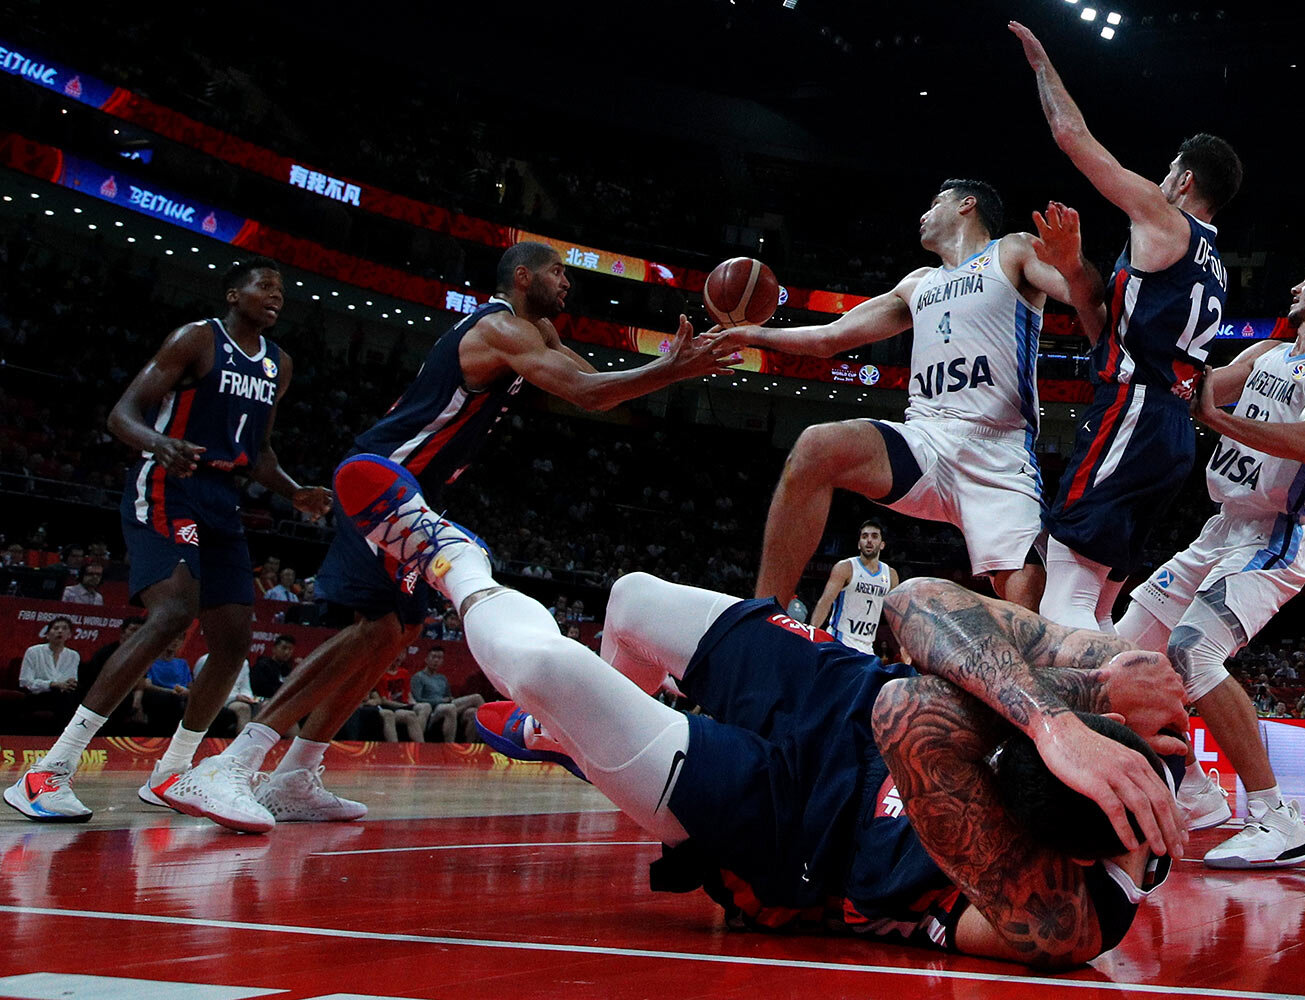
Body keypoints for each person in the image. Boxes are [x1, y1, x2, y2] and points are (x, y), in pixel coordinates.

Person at [335, 454, 1188, 966]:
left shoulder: (1066, 920)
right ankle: (591, 740)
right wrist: (1062, 710)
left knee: (549, 667)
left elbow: (908, 711)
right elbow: (917, 601)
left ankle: (452, 563)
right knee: (630, 602)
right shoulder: (1148, 720)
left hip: (793, 829)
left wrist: (1039, 713)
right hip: (837, 699)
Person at [163, 241, 733, 833]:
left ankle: (295, 775)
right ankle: (233, 764)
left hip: (417, 493)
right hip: (381, 478)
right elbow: (586, 393)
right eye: (557, 272)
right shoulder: (501, 329)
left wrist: (674, 367)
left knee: (397, 631)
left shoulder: (537, 331)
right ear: (522, 276)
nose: (567, 283)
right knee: (377, 628)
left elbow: (600, 390)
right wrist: (673, 367)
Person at [4, 257, 331, 825]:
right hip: (168, 486)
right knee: (174, 611)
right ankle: (47, 771)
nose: (276, 297)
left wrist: (294, 491)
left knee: (232, 639)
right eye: (265, 287)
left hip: (222, 498)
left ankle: (171, 773)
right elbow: (121, 415)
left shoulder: (280, 364)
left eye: (282, 291)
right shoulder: (196, 340)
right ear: (234, 293)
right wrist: (159, 443)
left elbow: (260, 452)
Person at [710, 179, 1100, 612]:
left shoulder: (1012, 251)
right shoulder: (917, 284)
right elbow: (830, 337)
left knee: (1029, 599)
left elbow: (1086, 299)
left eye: (935, 203)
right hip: (926, 440)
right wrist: (752, 334)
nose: (924, 214)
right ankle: (763, 618)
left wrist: (1074, 265)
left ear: (967, 205)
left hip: (999, 452)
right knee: (816, 446)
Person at [1115, 255, 1305, 868]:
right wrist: (1154, 342)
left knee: (1192, 650)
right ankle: (1194, 788)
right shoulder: (1265, 355)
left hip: (1274, 536)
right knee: (1123, 655)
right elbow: (1200, 388)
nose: (1295, 283)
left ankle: (1278, 819)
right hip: (1217, 530)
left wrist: (1214, 417)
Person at [1008, 22, 1243, 632]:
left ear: (1184, 180)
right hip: (1170, 434)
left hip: (1132, 413)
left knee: (1067, 587)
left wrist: (1042, 67)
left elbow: (1072, 136)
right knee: (1102, 602)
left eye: (1169, 172)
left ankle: (1070, 719)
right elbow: (1106, 326)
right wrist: (1070, 270)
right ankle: (1114, 719)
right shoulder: (1216, 264)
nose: (1161, 181)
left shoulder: (1165, 220)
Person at [809, 519, 900, 655]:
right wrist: (811, 633)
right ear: (859, 544)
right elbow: (825, 602)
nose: (869, 540)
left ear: (882, 545)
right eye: (864, 536)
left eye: (874, 536)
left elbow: (895, 616)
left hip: (868, 647)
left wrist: (904, 646)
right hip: (840, 642)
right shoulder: (845, 568)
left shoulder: (891, 575)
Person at [409, 647, 482, 742]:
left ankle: (471, 747)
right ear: (426, 659)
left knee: (473, 711)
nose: (436, 660)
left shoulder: (442, 678)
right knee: (475, 698)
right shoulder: (418, 677)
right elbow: (417, 699)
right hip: (433, 710)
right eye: (434, 657)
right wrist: (441, 701)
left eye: (439, 658)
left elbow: (448, 696)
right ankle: (450, 746)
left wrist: (449, 699)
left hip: (448, 705)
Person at [250, 634, 297, 698]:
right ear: (274, 649)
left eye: (290, 649)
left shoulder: (288, 670)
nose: (287, 652)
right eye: (284, 648)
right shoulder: (262, 666)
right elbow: (259, 689)